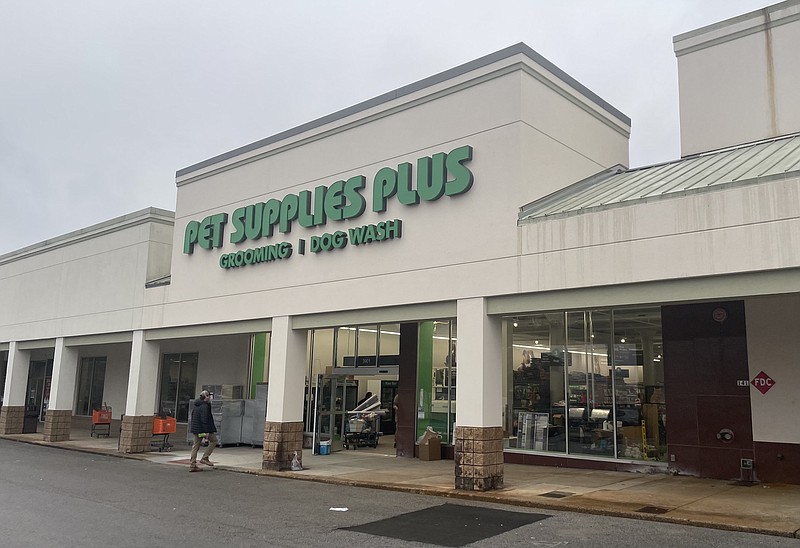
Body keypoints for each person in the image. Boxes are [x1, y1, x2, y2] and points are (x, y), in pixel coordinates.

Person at [189, 390, 218, 472]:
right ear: (206, 397)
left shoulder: (196, 405)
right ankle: (205, 457)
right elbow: (204, 419)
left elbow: (193, 416)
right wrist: (206, 432)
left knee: (195, 446)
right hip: (202, 430)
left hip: (196, 430)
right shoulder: (205, 406)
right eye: (208, 396)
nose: (210, 398)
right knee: (214, 440)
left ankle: (192, 464)